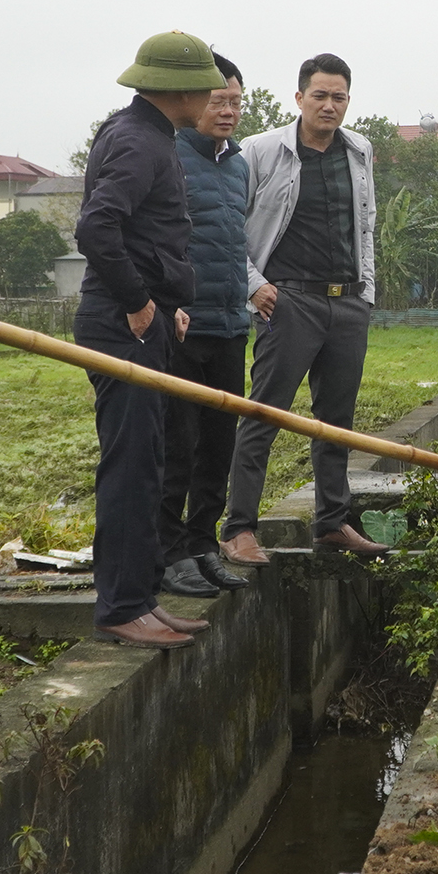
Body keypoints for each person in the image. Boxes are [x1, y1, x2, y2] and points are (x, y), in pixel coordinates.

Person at [76, 31, 220, 650]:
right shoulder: (139, 141)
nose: (215, 93)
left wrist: (164, 305)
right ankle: (121, 607)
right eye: (207, 83)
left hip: (147, 318)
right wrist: (138, 305)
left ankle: (138, 598)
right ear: (180, 89)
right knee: (132, 468)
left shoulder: (144, 134)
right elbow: (98, 227)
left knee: (149, 464)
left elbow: (142, 237)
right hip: (120, 323)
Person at [223, 54, 386, 561]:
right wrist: (253, 285)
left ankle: (331, 522)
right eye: (320, 95)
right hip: (288, 301)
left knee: (336, 421)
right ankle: (239, 528)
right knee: (264, 414)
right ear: (299, 99)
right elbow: (231, 226)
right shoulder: (260, 151)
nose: (329, 105)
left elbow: (366, 225)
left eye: (339, 97)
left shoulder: (359, 150)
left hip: (347, 303)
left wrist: (367, 291)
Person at [156, 50, 254, 599]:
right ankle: (170, 552)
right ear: (193, 100)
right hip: (182, 326)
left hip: (228, 324)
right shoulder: (169, 155)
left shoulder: (237, 164)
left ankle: (202, 544)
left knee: (219, 447)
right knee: (179, 445)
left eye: (236, 101)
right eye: (219, 100)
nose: (228, 111)